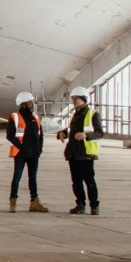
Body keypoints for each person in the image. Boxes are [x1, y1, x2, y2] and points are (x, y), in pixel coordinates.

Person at [55, 86, 104, 215]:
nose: (74, 100)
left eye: (76, 98)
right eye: (73, 98)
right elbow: (71, 130)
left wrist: (86, 135)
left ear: (83, 98)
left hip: (86, 154)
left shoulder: (93, 114)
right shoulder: (75, 114)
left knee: (89, 181)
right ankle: (80, 204)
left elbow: (99, 133)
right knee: (76, 182)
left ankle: (94, 205)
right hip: (73, 153)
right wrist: (63, 133)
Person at [6, 91, 48, 212]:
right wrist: (21, 146)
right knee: (17, 177)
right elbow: (10, 135)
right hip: (20, 153)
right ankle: (13, 202)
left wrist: (40, 149)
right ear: (23, 104)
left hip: (34, 153)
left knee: (33, 177)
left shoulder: (36, 118)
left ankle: (34, 202)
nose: (32, 104)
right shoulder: (14, 117)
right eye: (30, 102)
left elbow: (40, 135)